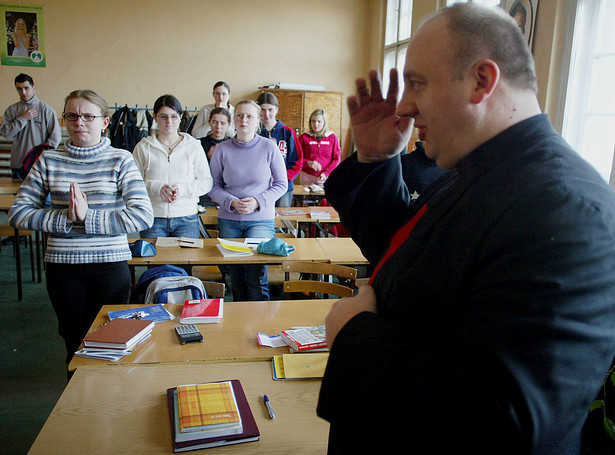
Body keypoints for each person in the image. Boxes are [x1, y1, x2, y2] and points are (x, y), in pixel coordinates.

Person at [316, 4, 615, 454]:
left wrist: (356, 336)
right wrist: (378, 160)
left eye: (417, 83)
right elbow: (413, 261)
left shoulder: (568, 211)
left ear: (481, 81)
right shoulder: (482, 170)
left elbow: (505, 421)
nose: (405, 106)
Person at [8, 89, 154, 366]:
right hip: (64, 269)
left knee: (112, 342)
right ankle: (79, 402)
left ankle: (110, 403)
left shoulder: (120, 159)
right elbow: (19, 213)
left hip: (109, 266)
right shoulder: (49, 160)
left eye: (88, 116)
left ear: (104, 122)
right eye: (72, 116)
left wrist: (89, 218)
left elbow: (142, 216)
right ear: (64, 121)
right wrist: (65, 218)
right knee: (74, 342)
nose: (79, 122)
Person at [208, 100, 287, 301]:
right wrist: (231, 201)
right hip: (230, 219)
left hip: (260, 219)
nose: (244, 120)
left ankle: (260, 323)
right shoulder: (222, 149)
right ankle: (240, 325)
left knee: (256, 275)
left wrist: (258, 201)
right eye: (239, 116)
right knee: (236, 277)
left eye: (249, 116)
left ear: (257, 120)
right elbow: (213, 186)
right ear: (233, 119)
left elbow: (281, 184)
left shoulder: (269, 147)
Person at [133, 94, 213, 239]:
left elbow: (206, 182)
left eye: (174, 116)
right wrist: (158, 188)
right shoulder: (143, 147)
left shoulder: (193, 146)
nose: (169, 121)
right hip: (153, 218)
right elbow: (133, 184)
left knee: (185, 261)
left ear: (180, 117)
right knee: (155, 261)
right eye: (163, 116)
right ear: (155, 117)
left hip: (187, 218)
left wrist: (181, 189)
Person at [0, 73, 61, 179]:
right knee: (18, 195)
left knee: (41, 196)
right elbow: (6, 133)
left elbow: (55, 138)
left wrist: (41, 157)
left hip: (39, 166)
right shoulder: (12, 110)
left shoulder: (46, 110)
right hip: (18, 164)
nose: (23, 92)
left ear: (33, 87)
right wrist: (22, 119)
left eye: (26, 88)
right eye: (19, 89)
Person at [256, 92, 302, 207]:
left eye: (270, 109)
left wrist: (281, 178)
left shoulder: (287, 133)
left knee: (281, 221)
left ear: (276, 109)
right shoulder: (254, 133)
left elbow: (297, 162)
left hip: (283, 187)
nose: (266, 114)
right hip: (259, 187)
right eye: (262, 110)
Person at [298, 109, 341, 186]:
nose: (315, 124)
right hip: (307, 177)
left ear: (324, 122)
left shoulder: (332, 137)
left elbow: (337, 159)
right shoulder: (303, 137)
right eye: (313, 121)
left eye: (319, 121)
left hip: (326, 177)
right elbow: (297, 158)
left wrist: (326, 173)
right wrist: (308, 163)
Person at [199, 107, 232, 208]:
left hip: (227, 192)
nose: (218, 127)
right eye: (215, 122)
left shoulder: (233, 144)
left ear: (229, 124)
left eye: (222, 123)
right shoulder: (199, 143)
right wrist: (209, 158)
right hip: (205, 193)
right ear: (209, 122)